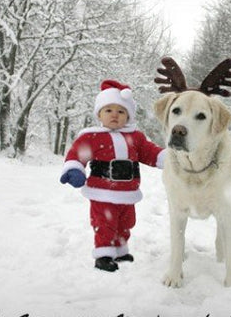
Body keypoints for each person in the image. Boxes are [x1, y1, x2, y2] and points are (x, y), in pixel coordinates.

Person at [60, 80, 165, 272]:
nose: (115, 115)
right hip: (102, 191)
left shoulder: (136, 137)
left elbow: (150, 152)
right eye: (108, 110)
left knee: (126, 222)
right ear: (99, 114)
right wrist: (75, 169)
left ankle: (119, 249)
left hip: (127, 193)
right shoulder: (92, 136)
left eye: (121, 111)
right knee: (105, 223)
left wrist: (167, 159)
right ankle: (103, 254)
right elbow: (78, 153)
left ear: (128, 116)